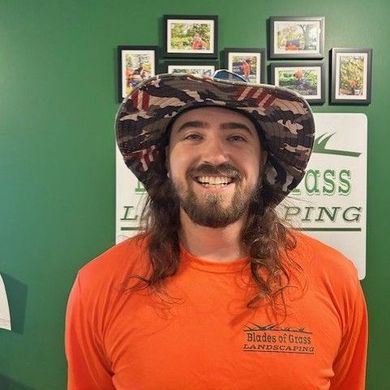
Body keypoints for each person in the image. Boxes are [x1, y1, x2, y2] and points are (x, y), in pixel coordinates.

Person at [65, 72, 368, 389]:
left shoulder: (335, 280)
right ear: (166, 158)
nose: (214, 156)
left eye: (236, 137)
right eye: (192, 136)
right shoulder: (99, 286)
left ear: (262, 160)